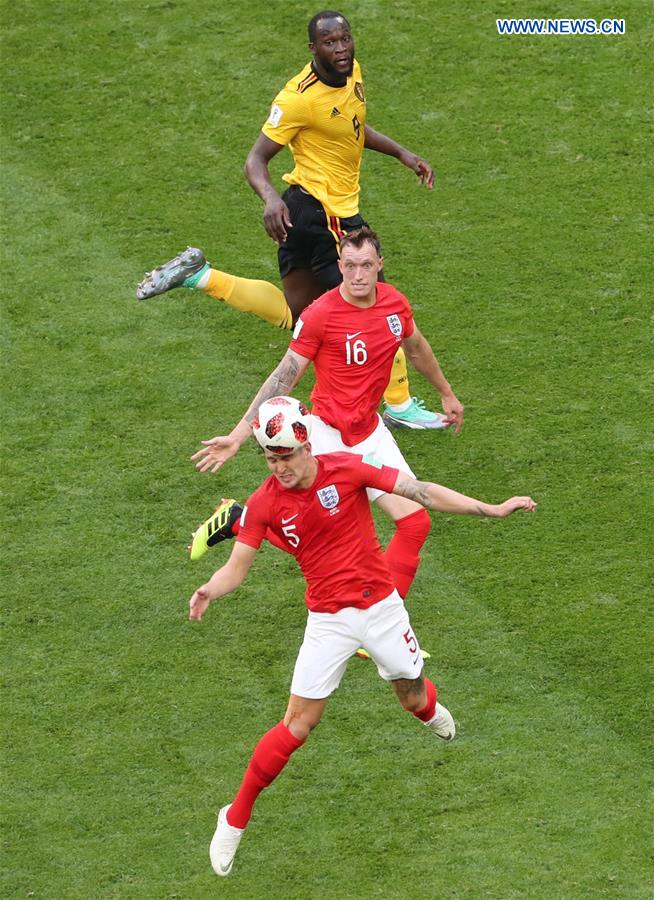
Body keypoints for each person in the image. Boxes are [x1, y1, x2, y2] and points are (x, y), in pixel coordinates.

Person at [189, 401, 537, 876]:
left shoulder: (349, 468)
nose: (280, 468)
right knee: (296, 725)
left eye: (286, 457)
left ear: (307, 445)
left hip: (383, 612)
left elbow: (421, 493)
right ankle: (233, 818)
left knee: (413, 698)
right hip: (328, 622)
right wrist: (211, 587)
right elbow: (236, 568)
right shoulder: (266, 501)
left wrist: (492, 509)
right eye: (271, 459)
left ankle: (430, 712)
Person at [136, 10, 443, 429]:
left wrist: (401, 153)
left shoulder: (353, 73)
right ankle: (401, 405)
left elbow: (352, 127)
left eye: (345, 39)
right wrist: (268, 198)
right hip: (327, 216)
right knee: (377, 307)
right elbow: (255, 160)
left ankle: (199, 276)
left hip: (301, 213)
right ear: (312, 48)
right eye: (330, 43)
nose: (340, 49)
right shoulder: (297, 98)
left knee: (299, 319)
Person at [190, 228, 464, 611]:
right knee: (322, 535)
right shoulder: (321, 315)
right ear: (339, 266)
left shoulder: (395, 305)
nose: (357, 275)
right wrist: (238, 436)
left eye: (366, 265)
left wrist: (446, 392)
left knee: (415, 523)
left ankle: (383, 620)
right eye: (349, 266)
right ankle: (241, 520)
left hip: (370, 434)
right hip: (327, 435)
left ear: (379, 266)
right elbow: (284, 375)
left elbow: (416, 348)